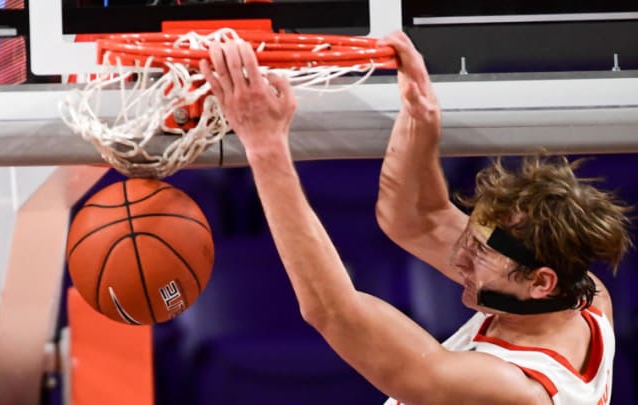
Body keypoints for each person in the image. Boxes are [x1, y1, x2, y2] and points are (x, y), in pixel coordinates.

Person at [198, 31, 631, 404]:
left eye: (480, 254)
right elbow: (415, 218)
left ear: (540, 283)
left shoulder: (514, 389)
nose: (458, 258)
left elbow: (333, 312)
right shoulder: (583, 296)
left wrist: (265, 146)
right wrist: (420, 122)